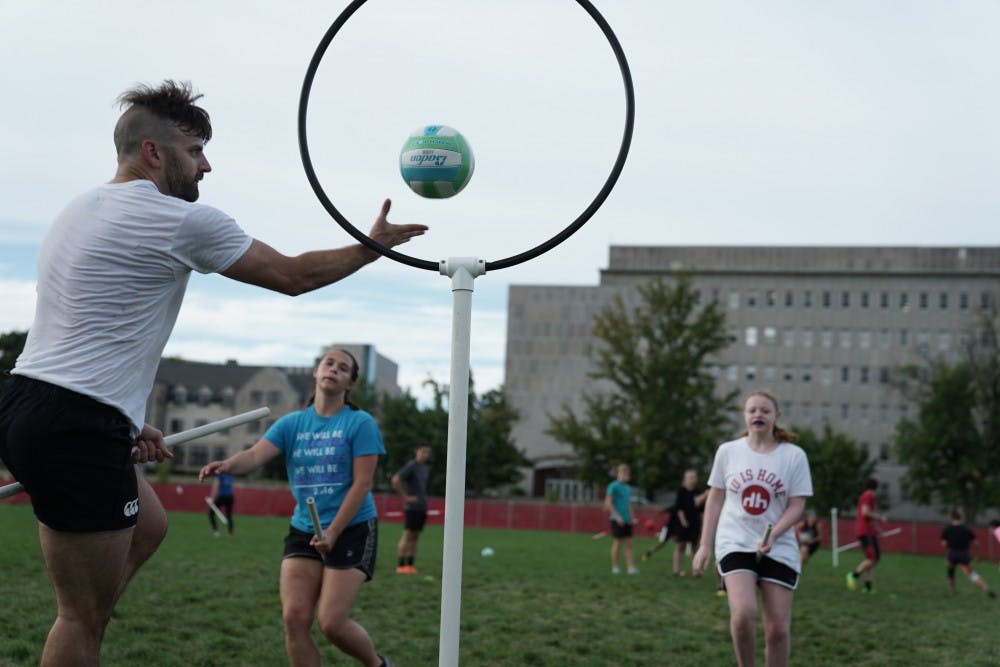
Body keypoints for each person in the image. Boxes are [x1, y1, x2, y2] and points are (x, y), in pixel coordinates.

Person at [0, 80, 425, 665]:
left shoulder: (79, 207)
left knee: (149, 524)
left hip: (29, 402)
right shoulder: (179, 220)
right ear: (154, 152)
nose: (206, 166)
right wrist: (369, 247)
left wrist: (126, 421)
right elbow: (294, 276)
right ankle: (86, 625)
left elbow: (90, 334)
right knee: (77, 619)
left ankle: (90, 616)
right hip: (75, 422)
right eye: (195, 151)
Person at [200, 347, 392, 666]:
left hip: (352, 527)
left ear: (349, 384)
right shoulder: (292, 424)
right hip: (305, 527)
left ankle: (377, 664)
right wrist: (227, 464)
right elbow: (253, 456)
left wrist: (332, 532)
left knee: (331, 623)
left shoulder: (360, 423)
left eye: (343, 368)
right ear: (316, 371)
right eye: (328, 363)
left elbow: (362, 484)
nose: (333, 369)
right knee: (294, 619)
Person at [693, 391, 813, 667]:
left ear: (776, 416)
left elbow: (797, 506)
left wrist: (774, 534)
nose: (758, 414)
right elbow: (715, 499)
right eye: (752, 410)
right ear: (745, 416)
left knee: (778, 630)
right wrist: (704, 545)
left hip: (778, 545)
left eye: (765, 410)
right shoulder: (728, 451)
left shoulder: (793, 456)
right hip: (735, 540)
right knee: (744, 613)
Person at [391, 442, 431, 574]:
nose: (425, 454)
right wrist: (405, 497)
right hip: (412, 507)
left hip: (421, 507)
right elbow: (396, 479)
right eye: (423, 451)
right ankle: (400, 565)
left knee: (416, 536)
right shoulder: (411, 466)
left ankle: (410, 565)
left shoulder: (425, 468)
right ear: (417, 451)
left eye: (427, 452)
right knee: (407, 535)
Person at [941, 509, 995, 598]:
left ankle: (952, 591)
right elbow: (976, 544)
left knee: (950, 572)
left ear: (951, 518)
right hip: (963, 554)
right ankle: (986, 588)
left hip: (952, 553)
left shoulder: (947, 529)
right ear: (961, 518)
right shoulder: (966, 529)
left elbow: (944, 544)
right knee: (971, 574)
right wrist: (978, 556)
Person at [845, 478, 887, 593]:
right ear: (876, 488)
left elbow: (869, 518)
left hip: (870, 532)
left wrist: (878, 530)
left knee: (874, 559)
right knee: (872, 558)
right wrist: (880, 517)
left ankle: (868, 587)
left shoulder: (869, 497)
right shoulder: (868, 496)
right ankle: (853, 576)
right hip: (865, 532)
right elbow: (865, 513)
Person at [604, 463, 639, 574]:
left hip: (627, 520)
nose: (626, 475)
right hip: (617, 519)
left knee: (629, 544)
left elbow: (628, 505)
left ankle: (630, 567)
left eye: (627, 473)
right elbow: (608, 504)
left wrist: (632, 518)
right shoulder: (613, 486)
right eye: (623, 472)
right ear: (618, 474)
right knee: (618, 543)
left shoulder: (628, 488)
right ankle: (615, 567)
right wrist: (618, 517)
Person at [672, 469, 707, 577]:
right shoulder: (681, 491)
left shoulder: (698, 492)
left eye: (694, 477)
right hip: (683, 523)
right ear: (685, 479)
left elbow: (701, 510)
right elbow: (679, 508)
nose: (692, 480)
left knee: (694, 546)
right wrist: (683, 521)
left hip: (695, 522)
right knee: (680, 546)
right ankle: (676, 570)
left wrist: (702, 525)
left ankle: (696, 571)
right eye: (690, 477)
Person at [208, 472, 235, 536]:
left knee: (211, 513)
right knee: (229, 515)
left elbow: (216, 485)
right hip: (230, 497)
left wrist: (212, 498)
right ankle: (230, 533)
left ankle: (215, 531)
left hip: (222, 496)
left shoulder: (219, 475)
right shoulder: (231, 474)